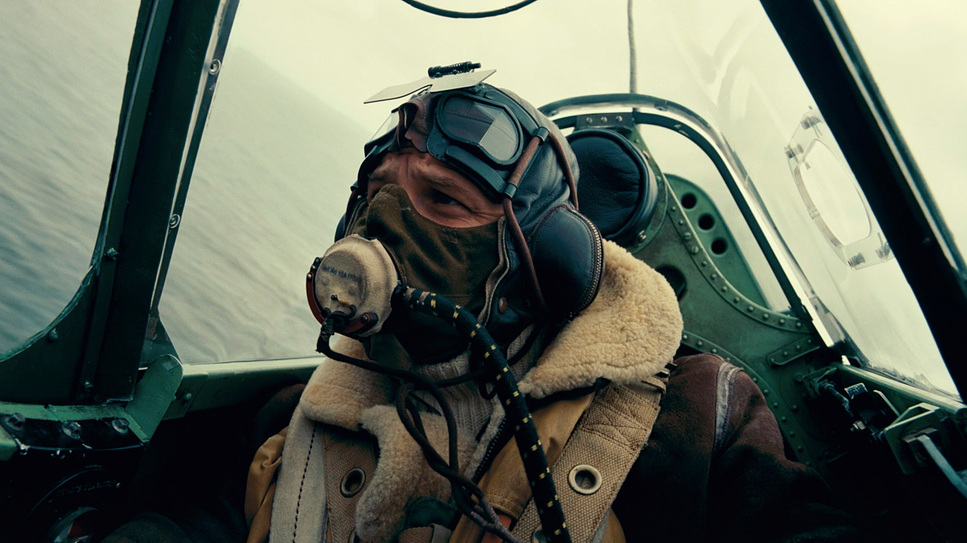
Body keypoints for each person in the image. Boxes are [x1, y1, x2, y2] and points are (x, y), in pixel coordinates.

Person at [107, 73, 859, 543]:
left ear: (546, 261)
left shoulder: (699, 417)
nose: (388, 225)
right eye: (380, 195)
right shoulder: (302, 409)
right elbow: (194, 517)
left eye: (441, 199)